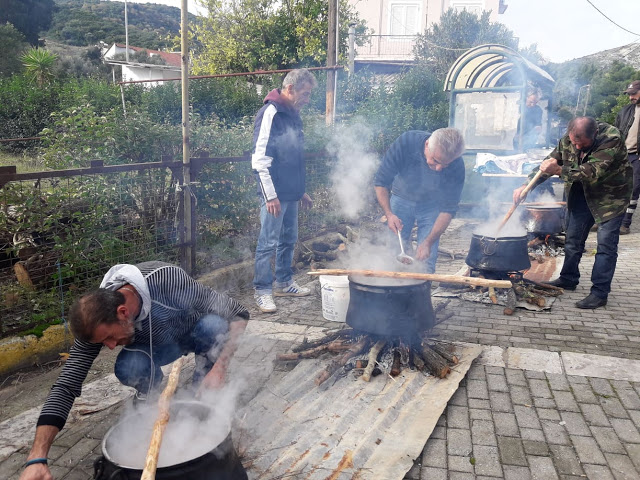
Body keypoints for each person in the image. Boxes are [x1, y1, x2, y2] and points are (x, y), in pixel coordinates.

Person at [19, 261, 249, 480]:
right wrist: (37, 457)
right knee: (128, 366)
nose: (108, 346)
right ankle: (153, 397)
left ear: (123, 312)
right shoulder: (94, 318)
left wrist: (220, 367)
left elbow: (239, 313)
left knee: (214, 326)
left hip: (194, 334)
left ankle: (204, 396)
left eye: (110, 338)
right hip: (157, 349)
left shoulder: (168, 280)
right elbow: (67, 384)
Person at [513, 117, 632, 309]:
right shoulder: (568, 140)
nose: (576, 147)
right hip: (580, 195)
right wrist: (526, 185)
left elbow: (591, 171)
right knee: (573, 240)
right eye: (574, 142)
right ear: (569, 133)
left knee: (606, 247)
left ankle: (599, 293)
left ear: (594, 134)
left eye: (582, 144)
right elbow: (547, 165)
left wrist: (558, 170)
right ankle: (568, 279)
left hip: (610, 198)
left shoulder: (611, 138)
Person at [252, 69, 317, 313]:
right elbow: (260, 159)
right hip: (274, 196)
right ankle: (262, 291)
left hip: (291, 193)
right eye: (305, 93)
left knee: (288, 240)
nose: (307, 99)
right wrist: (270, 195)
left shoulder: (293, 114)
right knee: (268, 243)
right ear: (290, 89)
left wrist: (301, 191)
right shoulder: (272, 113)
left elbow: (293, 158)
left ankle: (284, 282)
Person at [373, 128, 466, 274]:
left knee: (427, 259)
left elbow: (448, 209)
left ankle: (421, 293)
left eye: (445, 164)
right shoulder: (407, 142)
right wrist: (389, 214)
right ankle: (390, 289)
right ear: (427, 144)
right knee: (393, 251)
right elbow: (381, 181)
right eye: (435, 160)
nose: (439, 168)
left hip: (432, 206)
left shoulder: (457, 165)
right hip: (401, 198)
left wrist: (428, 242)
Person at [615, 80, 640, 235]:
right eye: (629, 94)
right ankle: (609, 221)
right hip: (622, 155)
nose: (631, 97)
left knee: (633, 190)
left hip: (637, 157)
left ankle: (625, 224)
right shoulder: (625, 111)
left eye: (634, 93)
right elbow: (616, 132)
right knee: (615, 188)